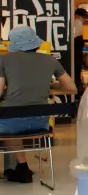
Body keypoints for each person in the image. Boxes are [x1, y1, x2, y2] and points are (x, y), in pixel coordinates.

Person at [0, 26, 76, 183]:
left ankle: (22, 166)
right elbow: (72, 88)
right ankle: (21, 169)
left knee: (9, 122)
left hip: (11, 122)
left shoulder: (4, 60)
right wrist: (49, 84)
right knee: (15, 120)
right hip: (40, 122)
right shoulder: (50, 60)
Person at [72, 8, 88, 94]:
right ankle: (76, 91)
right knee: (76, 70)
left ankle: (76, 90)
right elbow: (77, 36)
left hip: (76, 51)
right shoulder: (77, 22)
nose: (83, 19)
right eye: (83, 17)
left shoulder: (75, 22)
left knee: (76, 70)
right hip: (76, 53)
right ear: (77, 16)